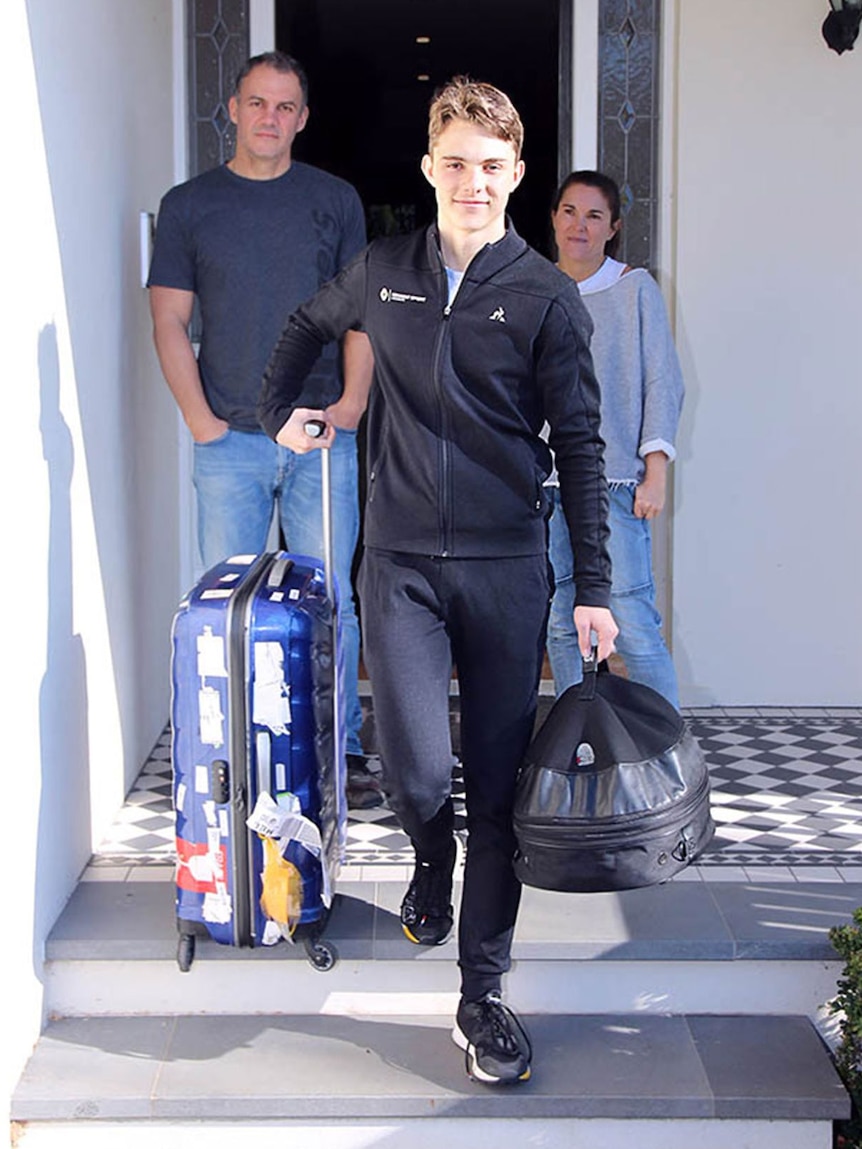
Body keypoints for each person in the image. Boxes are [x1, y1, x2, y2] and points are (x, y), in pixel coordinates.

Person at [258, 78, 617, 1085]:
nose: (471, 182)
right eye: (453, 164)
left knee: (495, 792)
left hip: (508, 570)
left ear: (514, 176)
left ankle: (481, 992)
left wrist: (591, 587)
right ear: (429, 168)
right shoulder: (383, 271)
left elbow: (581, 447)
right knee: (417, 771)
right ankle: (429, 854)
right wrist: (274, 411)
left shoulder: (544, 296)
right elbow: (299, 327)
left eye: (490, 167)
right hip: (402, 566)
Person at [147, 51, 381, 807]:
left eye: (285, 107)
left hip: (318, 436)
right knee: (231, 602)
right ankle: (237, 748)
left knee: (329, 601)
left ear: (302, 119)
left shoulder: (335, 199)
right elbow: (169, 319)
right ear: (234, 109)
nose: (270, 118)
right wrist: (202, 423)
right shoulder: (190, 204)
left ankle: (338, 747)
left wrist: (349, 406)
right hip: (232, 444)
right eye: (257, 104)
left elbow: (361, 315)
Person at [546, 170, 684, 708]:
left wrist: (656, 468)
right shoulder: (535, 287)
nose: (579, 225)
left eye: (594, 215)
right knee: (562, 618)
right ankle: (576, 743)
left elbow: (662, 380)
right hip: (549, 486)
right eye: (569, 212)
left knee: (630, 616)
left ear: (613, 227)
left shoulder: (634, 289)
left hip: (616, 483)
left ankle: (667, 755)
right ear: (555, 218)